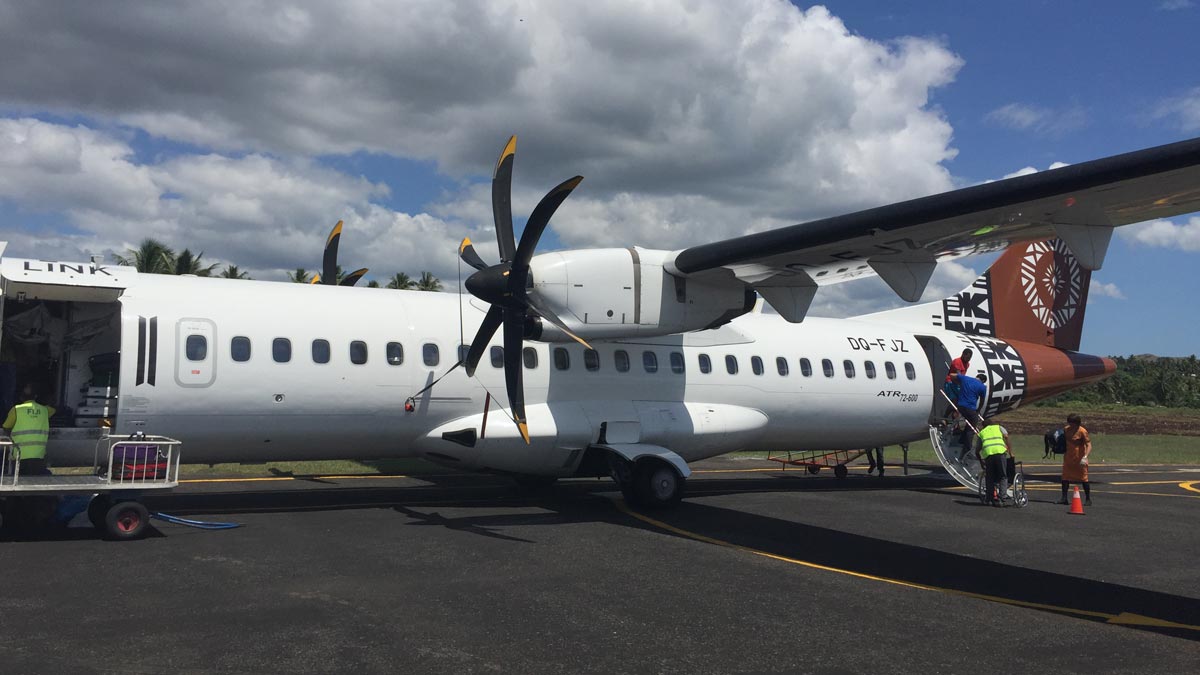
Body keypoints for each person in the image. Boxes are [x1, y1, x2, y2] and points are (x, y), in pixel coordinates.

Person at [2, 383, 56, 476]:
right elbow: (54, 407)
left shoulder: (16, 410)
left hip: (19, 456)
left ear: (20, 398)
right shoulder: (45, 410)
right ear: (35, 396)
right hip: (38, 456)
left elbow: (6, 427)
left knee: (19, 483)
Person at [975, 418, 1012, 506]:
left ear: (983, 426)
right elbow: (1006, 436)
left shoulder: (982, 433)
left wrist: (981, 462)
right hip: (1000, 452)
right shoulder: (999, 427)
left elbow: (977, 450)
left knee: (990, 477)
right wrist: (1010, 451)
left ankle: (989, 498)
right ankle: (1002, 498)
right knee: (1003, 476)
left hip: (989, 454)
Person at [1057, 413, 1092, 506]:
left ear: (1077, 424)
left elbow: (1089, 445)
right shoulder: (1066, 429)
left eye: (1072, 423)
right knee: (1065, 477)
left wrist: (1085, 456)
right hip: (1068, 457)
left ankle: (1088, 499)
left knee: (1084, 478)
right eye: (1069, 423)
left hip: (1079, 458)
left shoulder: (1082, 431)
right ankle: (1064, 498)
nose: (1070, 425)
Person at [950, 372, 988, 455]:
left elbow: (952, 375)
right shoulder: (982, 387)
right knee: (971, 428)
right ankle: (967, 448)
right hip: (970, 408)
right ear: (983, 380)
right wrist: (978, 410)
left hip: (960, 406)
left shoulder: (966, 378)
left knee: (968, 423)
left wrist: (959, 383)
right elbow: (982, 400)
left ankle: (961, 439)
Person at [942, 349, 973, 418]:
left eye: (969, 358)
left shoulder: (967, 364)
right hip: (950, 382)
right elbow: (959, 375)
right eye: (967, 357)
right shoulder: (957, 361)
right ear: (963, 354)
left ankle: (954, 417)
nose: (968, 359)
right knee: (955, 401)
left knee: (960, 402)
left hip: (958, 384)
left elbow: (963, 375)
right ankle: (945, 417)